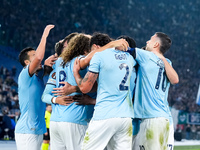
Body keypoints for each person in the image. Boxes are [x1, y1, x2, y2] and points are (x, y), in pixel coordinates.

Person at [73, 35, 136, 150]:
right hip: (125, 118)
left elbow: (85, 88)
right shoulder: (129, 59)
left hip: (105, 115)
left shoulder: (99, 56)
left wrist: (76, 73)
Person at [128, 32, 179, 150]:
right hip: (165, 118)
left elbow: (124, 49)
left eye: (150, 39)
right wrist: (162, 58)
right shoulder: (167, 62)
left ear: (156, 44)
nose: (147, 42)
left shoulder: (145, 55)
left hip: (151, 118)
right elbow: (175, 79)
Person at [15, 25, 55, 150]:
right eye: (33, 55)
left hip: (36, 130)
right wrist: (44, 35)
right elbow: (39, 58)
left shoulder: (37, 77)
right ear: (27, 63)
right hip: (27, 130)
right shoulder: (25, 75)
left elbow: (46, 68)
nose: (37, 56)